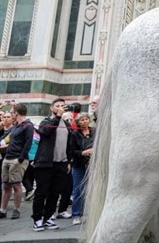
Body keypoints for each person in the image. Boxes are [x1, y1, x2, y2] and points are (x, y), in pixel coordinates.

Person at [31, 98, 71, 231]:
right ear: (52, 108)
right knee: (41, 192)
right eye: (57, 106)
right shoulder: (46, 122)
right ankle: (37, 219)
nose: (60, 108)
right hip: (45, 163)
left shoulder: (66, 124)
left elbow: (69, 144)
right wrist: (58, 116)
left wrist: (68, 161)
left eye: (62, 106)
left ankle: (48, 217)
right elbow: (47, 132)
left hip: (61, 163)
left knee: (55, 193)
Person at [0, 104, 34, 220]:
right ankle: (2, 209)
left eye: (12, 113)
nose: (10, 115)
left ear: (16, 113)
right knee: (6, 185)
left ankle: (16, 209)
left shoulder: (28, 125)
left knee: (16, 184)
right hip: (8, 158)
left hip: (17, 159)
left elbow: (28, 143)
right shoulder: (15, 126)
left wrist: (20, 159)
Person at [67, 113, 94, 225]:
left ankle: (88, 213)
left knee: (90, 190)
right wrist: (83, 153)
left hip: (93, 164)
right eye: (82, 120)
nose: (85, 121)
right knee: (78, 189)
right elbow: (71, 151)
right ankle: (77, 214)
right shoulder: (74, 134)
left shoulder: (95, 131)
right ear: (78, 122)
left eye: (86, 119)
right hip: (79, 164)